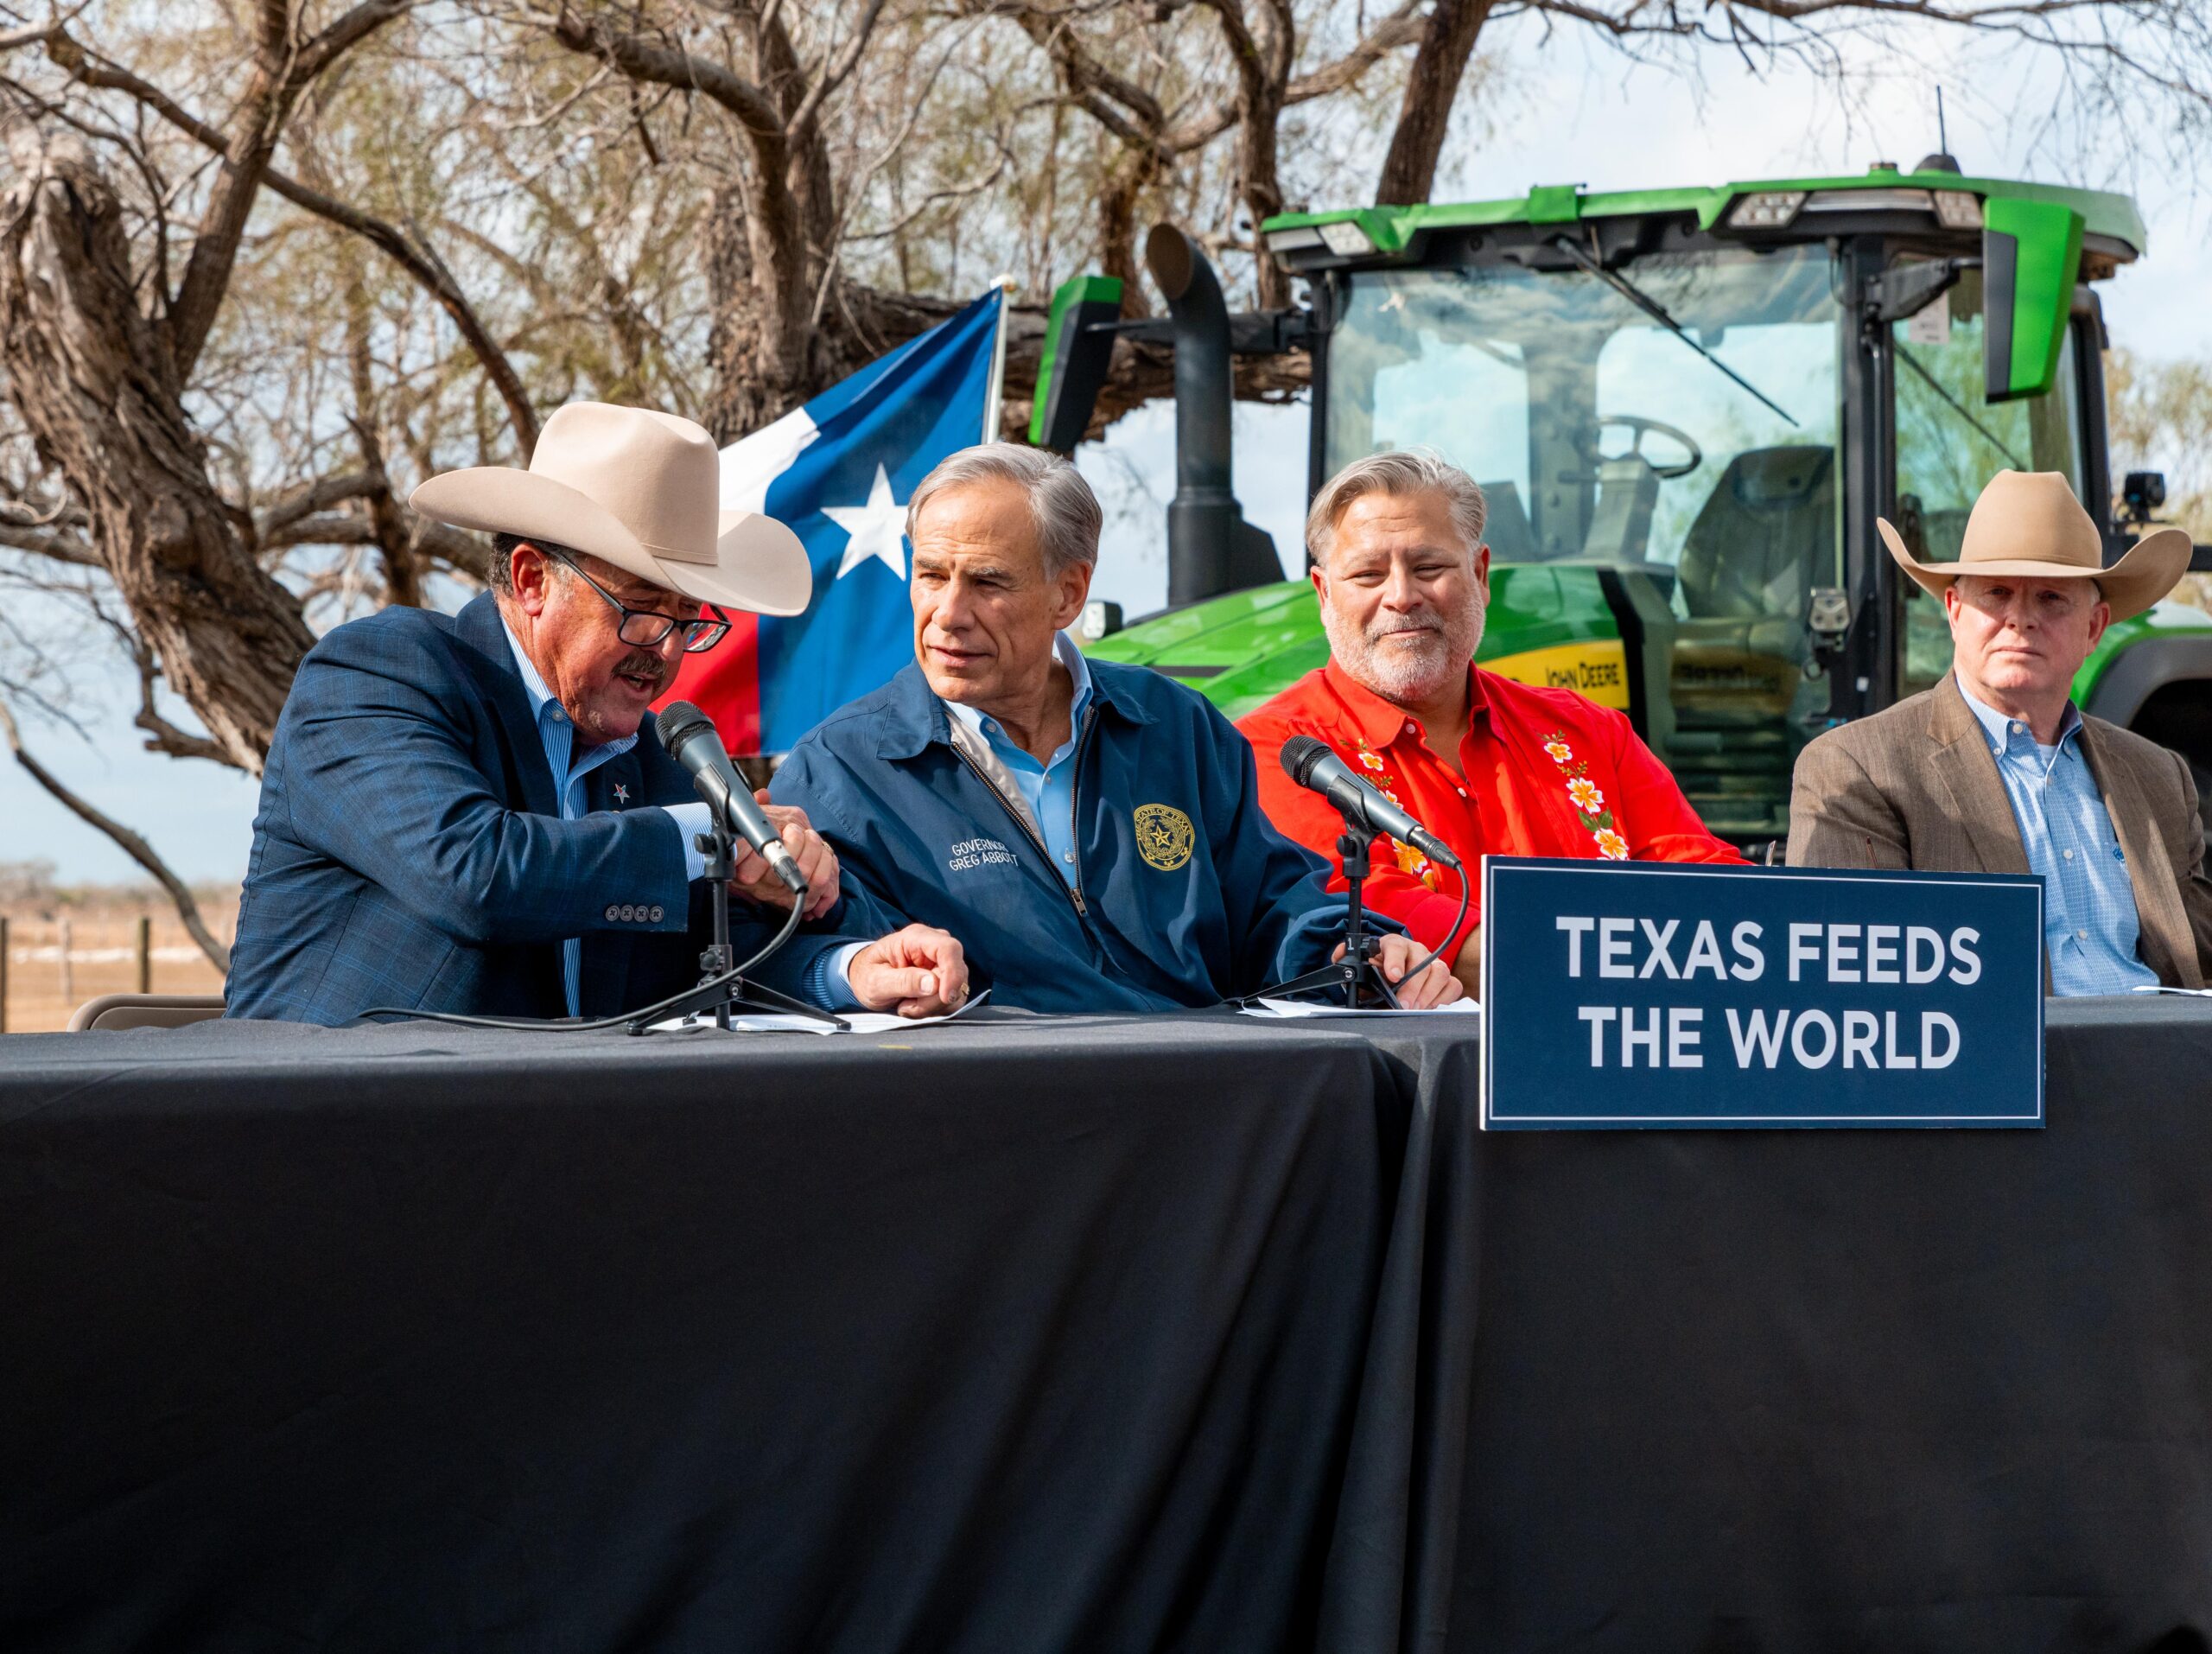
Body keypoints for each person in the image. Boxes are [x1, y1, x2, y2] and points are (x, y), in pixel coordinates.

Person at [226, 401, 969, 1025]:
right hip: (332, 1141)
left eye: (688, 621)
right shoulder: (382, 671)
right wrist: (718, 841)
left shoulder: (656, 762)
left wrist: (849, 969)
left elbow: (714, 955)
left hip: (559, 1151)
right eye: (641, 612)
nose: (668, 653)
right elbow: (474, 874)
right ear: (530, 580)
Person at [768, 443, 1459, 1013]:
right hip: (992, 1121)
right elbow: (777, 959)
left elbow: (1274, 906)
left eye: (986, 582)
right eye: (930, 576)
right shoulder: (839, 768)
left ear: (1068, 593)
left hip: (1213, 1106)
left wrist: (1350, 950)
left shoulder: (1178, 725)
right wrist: (850, 970)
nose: (948, 612)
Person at [1238, 449, 1741, 998]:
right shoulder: (1275, 751)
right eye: (1367, 574)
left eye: (1429, 567)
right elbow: (1356, 909)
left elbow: (1714, 894)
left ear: (1480, 575)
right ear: (1324, 594)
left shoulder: (1593, 732)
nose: (1402, 596)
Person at [1789, 468, 2211, 994]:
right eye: (1997, 592)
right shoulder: (1859, 771)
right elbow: (1855, 1002)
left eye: (2051, 598)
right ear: (1955, 611)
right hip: (1994, 1072)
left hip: (2165, 1063)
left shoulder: (2162, 778)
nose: (2020, 619)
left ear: (2095, 627)